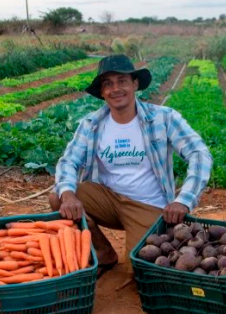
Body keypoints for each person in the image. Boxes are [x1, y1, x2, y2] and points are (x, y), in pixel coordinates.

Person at [49, 54, 212, 277]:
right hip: (108, 199)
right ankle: (103, 252)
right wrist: (68, 194)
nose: (116, 89)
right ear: (102, 92)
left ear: (135, 84)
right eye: (108, 83)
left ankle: (141, 249)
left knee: (139, 273)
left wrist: (183, 200)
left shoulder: (163, 118)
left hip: (148, 207)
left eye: (122, 81)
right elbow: (69, 161)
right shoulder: (92, 124)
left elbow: (199, 153)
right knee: (59, 197)